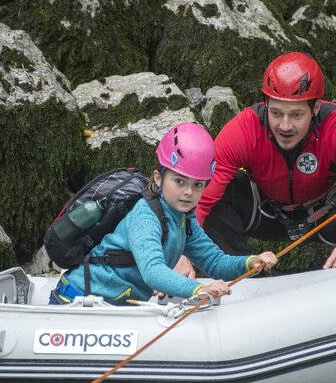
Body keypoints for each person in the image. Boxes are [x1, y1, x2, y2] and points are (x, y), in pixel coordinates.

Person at [195, 51, 336, 269]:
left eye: (296, 115)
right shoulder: (244, 129)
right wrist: (183, 250)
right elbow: (203, 197)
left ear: (315, 108)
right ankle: (241, 275)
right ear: (265, 104)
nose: (285, 126)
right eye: (276, 113)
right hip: (267, 212)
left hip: (326, 214)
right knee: (215, 198)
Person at [49, 122, 278, 305]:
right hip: (76, 300)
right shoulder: (145, 215)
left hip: (113, 307)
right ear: (158, 178)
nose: (188, 192)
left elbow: (215, 262)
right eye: (179, 181)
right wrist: (198, 288)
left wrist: (250, 262)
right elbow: (153, 271)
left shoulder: (184, 220)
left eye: (198, 185)